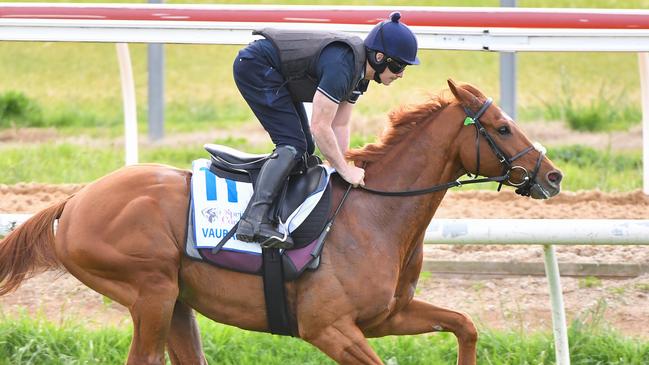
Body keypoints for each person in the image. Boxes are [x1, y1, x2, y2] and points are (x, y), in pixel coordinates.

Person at [232, 11, 420, 245]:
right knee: (292, 144)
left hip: (277, 73)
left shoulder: (361, 76)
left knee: (304, 147)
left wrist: (340, 167)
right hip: (256, 67)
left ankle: (278, 214)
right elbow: (320, 126)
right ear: (380, 57)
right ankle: (253, 220)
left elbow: (339, 124)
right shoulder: (343, 67)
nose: (401, 74)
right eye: (399, 66)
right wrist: (344, 170)